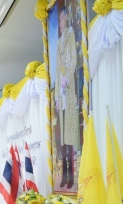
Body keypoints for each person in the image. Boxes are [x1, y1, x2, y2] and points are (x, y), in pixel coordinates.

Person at [55, 5, 78, 189]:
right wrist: (56, 97)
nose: (61, 23)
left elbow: (73, 60)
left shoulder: (70, 35)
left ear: (66, 19)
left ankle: (71, 177)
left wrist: (66, 79)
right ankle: (64, 175)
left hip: (69, 92)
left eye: (63, 20)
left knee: (70, 138)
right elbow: (56, 70)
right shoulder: (58, 42)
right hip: (61, 97)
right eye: (60, 21)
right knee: (62, 140)